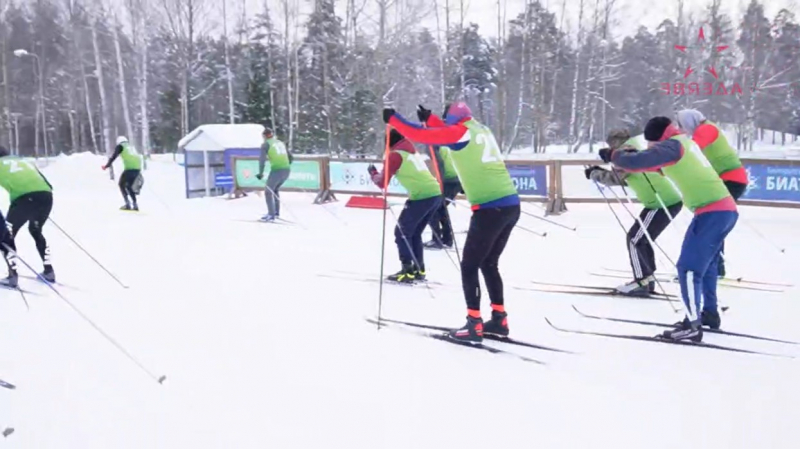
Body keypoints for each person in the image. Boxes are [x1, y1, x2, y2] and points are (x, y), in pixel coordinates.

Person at [384, 102, 520, 344]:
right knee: (489, 263)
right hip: (510, 204)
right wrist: (432, 118)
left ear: (454, 120)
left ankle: (473, 323)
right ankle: (499, 319)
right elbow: (444, 130)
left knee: (469, 265)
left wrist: (394, 119)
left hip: (490, 208)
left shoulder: (459, 132)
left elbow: (422, 135)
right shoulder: (478, 129)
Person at [601, 117, 738, 341]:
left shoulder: (672, 146)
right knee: (708, 266)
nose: (650, 147)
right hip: (720, 210)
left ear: (658, 138)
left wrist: (614, 156)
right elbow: (648, 163)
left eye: (651, 142)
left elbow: (641, 161)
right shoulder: (682, 143)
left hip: (713, 212)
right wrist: (626, 157)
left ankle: (692, 325)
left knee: (688, 268)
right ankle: (709, 314)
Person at [586, 129, 683, 297]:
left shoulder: (626, 153)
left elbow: (618, 178)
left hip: (660, 203)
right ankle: (647, 279)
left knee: (635, 239)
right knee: (641, 239)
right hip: (662, 201)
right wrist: (600, 170)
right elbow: (625, 175)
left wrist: (595, 174)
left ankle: (642, 281)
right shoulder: (633, 149)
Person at [675, 109, 747, 278]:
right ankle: (713, 267)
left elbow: (692, 149)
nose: (681, 128)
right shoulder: (703, 129)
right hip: (723, 179)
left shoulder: (706, 129)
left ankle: (711, 267)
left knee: (712, 224)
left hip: (731, 178)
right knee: (712, 224)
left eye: (681, 124)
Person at [369, 129, 442, 283]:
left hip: (422, 195)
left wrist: (373, 173)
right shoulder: (410, 152)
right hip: (434, 193)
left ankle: (407, 270)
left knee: (401, 233)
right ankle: (418, 269)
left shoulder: (395, 155)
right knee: (413, 233)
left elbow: (382, 183)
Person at [0, 146, 55, 286]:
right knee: (36, 231)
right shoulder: (23, 161)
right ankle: (49, 270)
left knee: (6, 236)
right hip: (46, 195)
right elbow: (45, 181)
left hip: (24, 198)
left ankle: (12, 276)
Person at [423, 126, 462, 250]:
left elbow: (439, 164)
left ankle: (437, 240)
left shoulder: (433, 145)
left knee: (431, 209)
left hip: (448, 181)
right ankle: (447, 239)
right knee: (441, 210)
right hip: (455, 180)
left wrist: (439, 182)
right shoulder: (445, 143)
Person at [256, 127, 293, 222]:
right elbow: (290, 157)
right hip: (286, 169)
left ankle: (271, 214)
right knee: (275, 190)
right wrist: (286, 165)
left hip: (277, 170)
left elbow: (262, 160)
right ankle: (276, 212)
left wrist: (260, 173)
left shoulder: (265, 145)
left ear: (264, 136)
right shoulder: (280, 142)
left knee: (268, 192)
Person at [102, 136, 143, 211]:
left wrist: (106, 166)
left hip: (129, 168)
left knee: (121, 184)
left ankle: (128, 204)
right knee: (129, 186)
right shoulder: (131, 147)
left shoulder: (120, 146)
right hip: (137, 168)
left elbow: (113, 157)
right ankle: (135, 204)